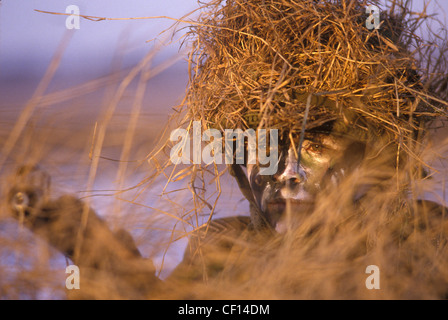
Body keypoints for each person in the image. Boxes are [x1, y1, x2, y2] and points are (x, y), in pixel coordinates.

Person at [5, 0, 448, 299]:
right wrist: (88, 247)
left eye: (313, 140)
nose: (286, 171)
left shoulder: (427, 238)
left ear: (373, 152)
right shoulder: (223, 244)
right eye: (267, 144)